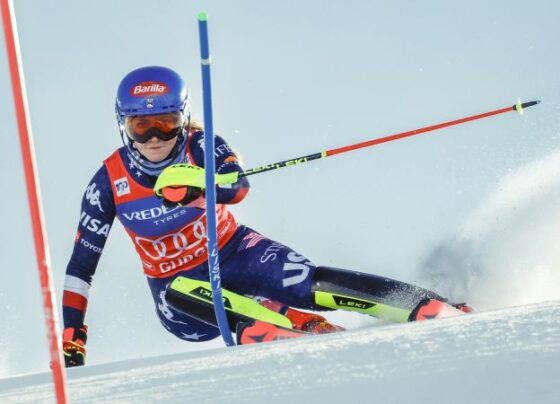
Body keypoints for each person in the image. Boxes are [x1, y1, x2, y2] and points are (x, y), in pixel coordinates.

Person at [62, 66, 471, 367]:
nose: (154, 138)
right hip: (178, 291)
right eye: (141, 126)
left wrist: (199, 186)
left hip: (234, 250)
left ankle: (423, 304)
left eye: (166, 124)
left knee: (304, 280)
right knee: (181, 293)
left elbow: (238, 186)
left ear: (182, 121)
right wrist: (73, 330)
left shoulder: (202, 145)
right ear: (124, 126)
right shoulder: (108, 182)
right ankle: (283, 324)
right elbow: (82, 265)